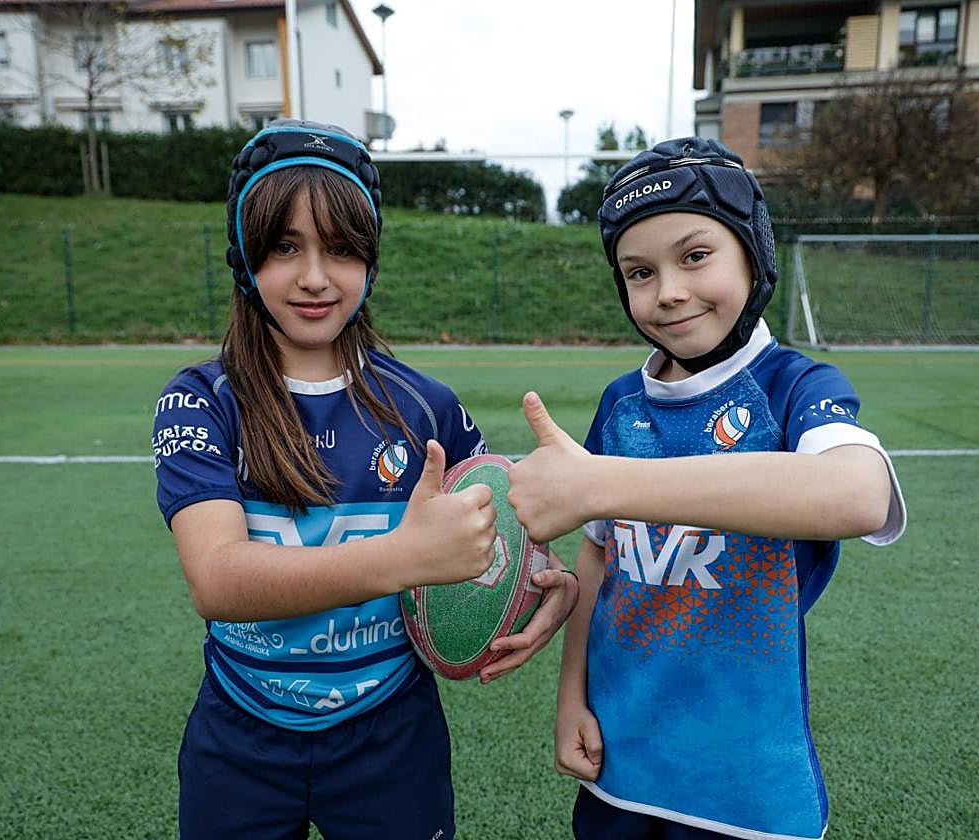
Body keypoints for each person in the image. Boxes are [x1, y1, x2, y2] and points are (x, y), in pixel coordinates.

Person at [151, 118, 577, 840]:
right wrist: (403, 557)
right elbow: (217, 581)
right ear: (244, 256)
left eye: (342, 249)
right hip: (240, 730)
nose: (315, 277)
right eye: (285, 247)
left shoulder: (426, 406)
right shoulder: (201, 400)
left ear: (371, 261)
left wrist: (547, 582)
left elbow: (500, 529)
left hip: (391, 731)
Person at [507, 137, 907, 840]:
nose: (668, 291)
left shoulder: (793, 386)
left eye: (695, 256)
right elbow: (597, 559)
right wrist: (571, 699)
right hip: (621, 767)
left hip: (748, 786)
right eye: (639, 272)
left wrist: (603, 481)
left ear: (754, 253)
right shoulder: (620, 404)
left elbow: (859, 493)